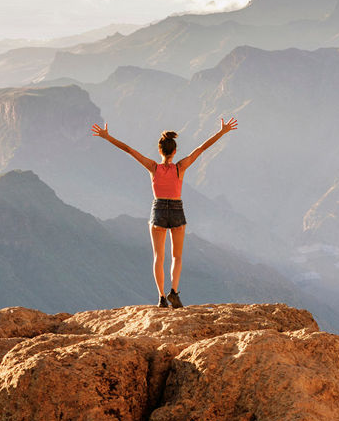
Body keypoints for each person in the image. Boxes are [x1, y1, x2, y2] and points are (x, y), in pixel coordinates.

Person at [91, 116, 238, 308]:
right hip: (177, 210)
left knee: (158, 257)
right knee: (176, 256)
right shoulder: (181, 167)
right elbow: (202, 149)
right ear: (175, 151)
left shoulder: (153, 167)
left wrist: (107, 137)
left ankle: (161, 297)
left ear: (159, 150)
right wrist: (222, 132)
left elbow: (129, 150)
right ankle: (174, 292)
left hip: (158, 209)